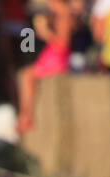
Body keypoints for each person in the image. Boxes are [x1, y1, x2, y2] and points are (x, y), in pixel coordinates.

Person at [18, 0, 73, 133]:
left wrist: (46, 33)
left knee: (27, 75)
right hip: (51, 56)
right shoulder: (56, 14)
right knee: (26, 72)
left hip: (57, 59)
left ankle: (26, 115)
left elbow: (63, 44)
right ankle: (24, 114)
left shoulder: (63, 16)